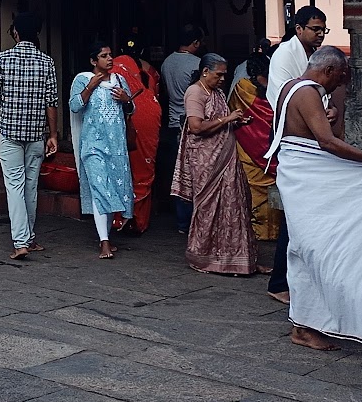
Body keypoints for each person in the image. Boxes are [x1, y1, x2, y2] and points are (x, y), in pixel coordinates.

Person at [266, 47, 362, 354]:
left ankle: (306, 322)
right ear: (329, 70)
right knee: (315, 251)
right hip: (305, 180)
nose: (340, 84)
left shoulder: (288, 87)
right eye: (340, 78)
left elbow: (316, 134)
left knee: (307, 250)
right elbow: (327, 143)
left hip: (298, 175)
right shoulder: (309, 92)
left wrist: (332, 116)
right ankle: (305, 325)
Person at [173, 54, 263, 275]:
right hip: (206, 161)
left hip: (225, 157)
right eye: (219, 74)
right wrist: (227, 119)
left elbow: (220, 123)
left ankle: (235, 259)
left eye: (225, 74)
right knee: (208, 208)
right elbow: (196, 126)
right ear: (205, 72)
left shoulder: (218, 93)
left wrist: (237, 122)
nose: (223, 78)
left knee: (234, 205)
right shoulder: (195, 92)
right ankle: (204, 256)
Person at [0, 12, 59, 260]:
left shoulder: (2, 59)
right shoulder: (46, 62)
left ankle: (21, 242)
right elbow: (51, 103)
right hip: (36, 135)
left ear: (15, 33)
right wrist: (53, 134)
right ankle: (30, 238)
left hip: (11, 134)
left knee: (15, 186)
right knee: (31, 186)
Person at [264, 7, 328, 303]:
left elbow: (320, 95)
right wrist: (317, 115)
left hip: (313, 138)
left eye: (323, 30)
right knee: (295, 216)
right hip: (295, 143)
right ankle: (279, 282)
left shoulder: (314, 56)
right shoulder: (284, 55)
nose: (319, 35)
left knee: (306, 219)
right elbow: (283, 99)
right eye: (315, 29)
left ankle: (297, 278)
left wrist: (326, 111)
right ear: (298, 28)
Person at [69, 42, 134, 258]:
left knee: (112, 188)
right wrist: (90, 87)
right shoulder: (83, 79)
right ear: (93, 61)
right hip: (93, 145)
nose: (109, 58)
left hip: (116, 147)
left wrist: (126, 100)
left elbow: (131, 108)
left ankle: (106, 237)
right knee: (99, 190)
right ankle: (104, 241)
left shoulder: (120, 81)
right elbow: (75, 106)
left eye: (110, 54)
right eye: (103, 55)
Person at [158, 25, 205, 233]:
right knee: (194, 173)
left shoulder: (167, 62)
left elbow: (165, 93)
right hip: (190, 121)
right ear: (195, 42)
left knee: (177, 173)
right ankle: (191, 219)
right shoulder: (197, 64)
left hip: (171, 121)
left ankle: (180, 220)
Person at [229, 53, 281, 241]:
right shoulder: (248, 88)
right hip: (255, 148)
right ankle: (264, 231)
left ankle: (266, 231)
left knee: (263, 192)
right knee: (257, 192)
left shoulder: (247, 88)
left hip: (258, 147)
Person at [111, 51, 161, 233]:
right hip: (148, 120)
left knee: (120, 172)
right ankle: (138, 222)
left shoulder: (111, 74)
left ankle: (118, 220)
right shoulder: (148, 78)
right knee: (143, 174)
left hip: (126, 124)